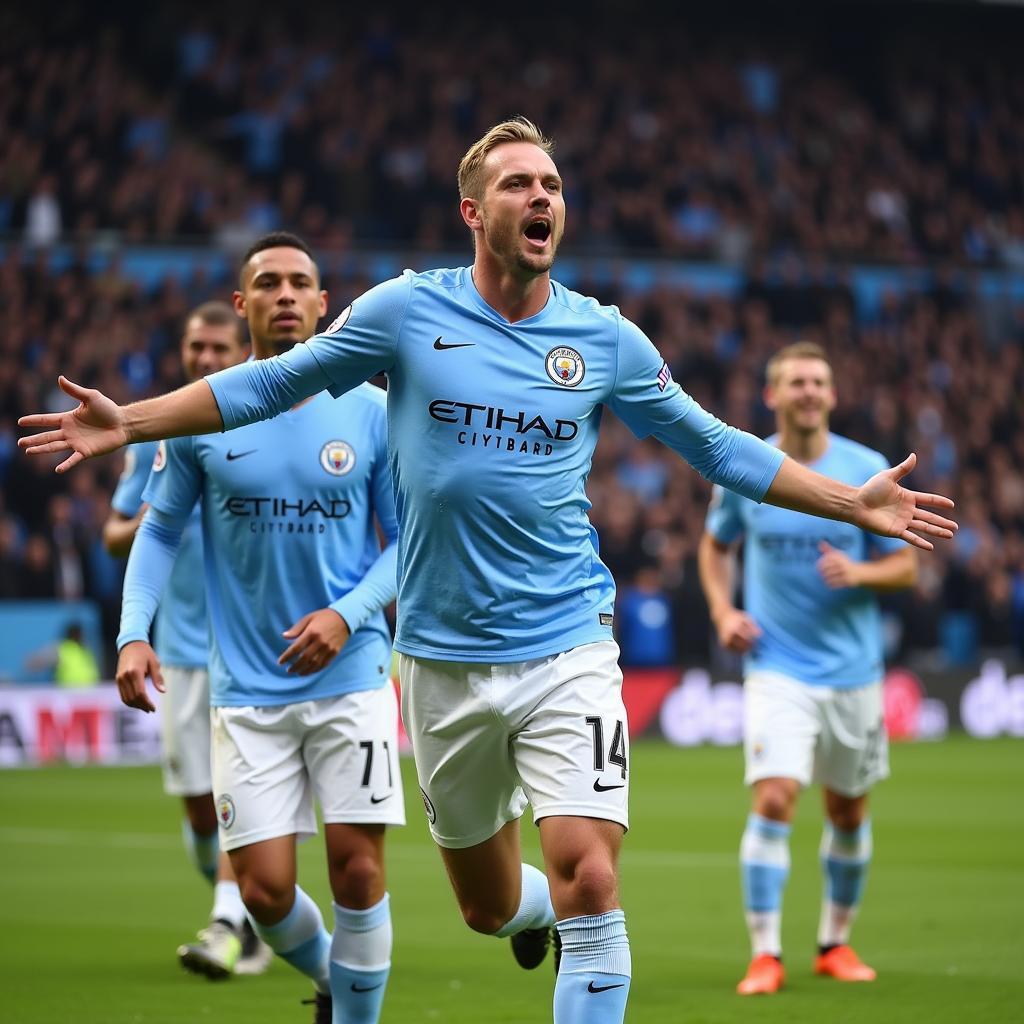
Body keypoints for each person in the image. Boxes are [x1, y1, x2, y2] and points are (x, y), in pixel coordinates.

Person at [18, 120, 956, 1024]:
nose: (541, 196)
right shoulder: (402, 312)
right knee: (486, 903)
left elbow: (715, 447)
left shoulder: (605, 341)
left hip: (568, 644)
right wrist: (132, 422)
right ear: (473, 211)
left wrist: (851, 502)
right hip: (439, 658)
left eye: (551, 184)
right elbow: (269, 382)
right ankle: (530, 914)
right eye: (518, 183)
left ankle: (566, 919)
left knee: (592, 873)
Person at [115, 233, 404, 1024]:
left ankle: (353, 1015)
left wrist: (347, 617)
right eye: (267, 282)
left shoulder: (372, 410)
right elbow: (160, 531)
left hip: (351, 674)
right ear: (243, 303)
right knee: (268, 893)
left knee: (355, 872)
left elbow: (406, 541)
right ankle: (335, 977)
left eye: (299, 282)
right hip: (246, 685)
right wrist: (132, 632)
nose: (284, 293)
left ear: (321, 302)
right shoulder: (202, 414)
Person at [698, 341, 918, 996]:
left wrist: (862, 571)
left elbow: (907, 565)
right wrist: (721, 611)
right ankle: (765, 955)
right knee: (774, 795)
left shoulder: (865, 469)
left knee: (848, 810)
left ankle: (834, 944)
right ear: (773, 395)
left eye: (819, 381)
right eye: (796, 381)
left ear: (832, 394)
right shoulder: (751, 466)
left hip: (853, 670)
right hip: (777, 666)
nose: (809, 391)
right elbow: (714, 549)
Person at [101, 301, 269, 978]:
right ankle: (245, 910)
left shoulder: (267, 418)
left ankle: (230, 921)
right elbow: (117, 535)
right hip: (179, 650)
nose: (205, 359)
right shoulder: (160, 431)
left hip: (251, 651)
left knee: (237, 798)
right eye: (195, 348)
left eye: (218, 348)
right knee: (202, 809)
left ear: (241, 349)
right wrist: (162, 511)